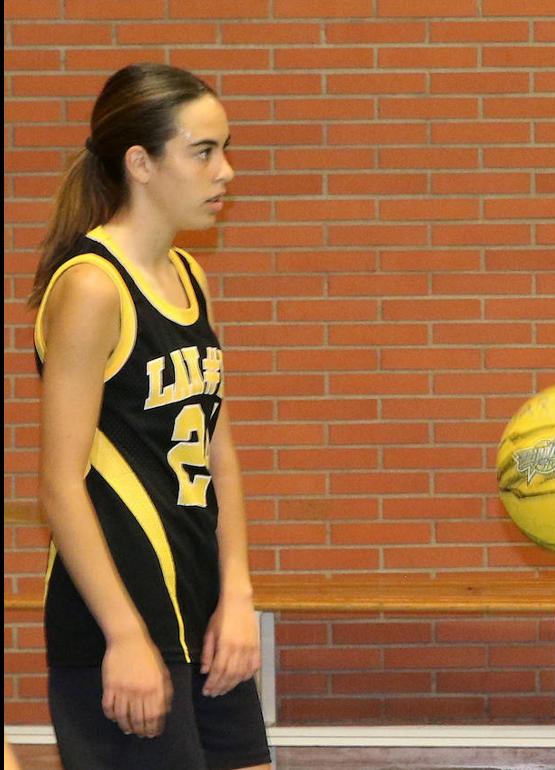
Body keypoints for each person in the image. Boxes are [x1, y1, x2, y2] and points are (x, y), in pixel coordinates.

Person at [29, 63, 270, 770]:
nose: (226, 171)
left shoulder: (189, 277)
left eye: (226, 148)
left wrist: (238, 593)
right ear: (140, 163)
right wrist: (124, 634)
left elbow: (218, 453)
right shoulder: (92, 287)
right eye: (204, 151)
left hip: (202, 616)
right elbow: (60, 484)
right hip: (119, 621)